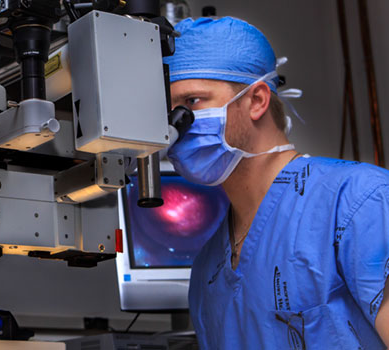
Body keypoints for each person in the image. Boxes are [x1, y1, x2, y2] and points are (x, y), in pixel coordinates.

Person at [163, 17, 389, 349]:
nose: (177, 126)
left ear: (256, 100)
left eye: (192, 102)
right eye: (169, 111)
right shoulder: (208, 270)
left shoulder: (361, 201)